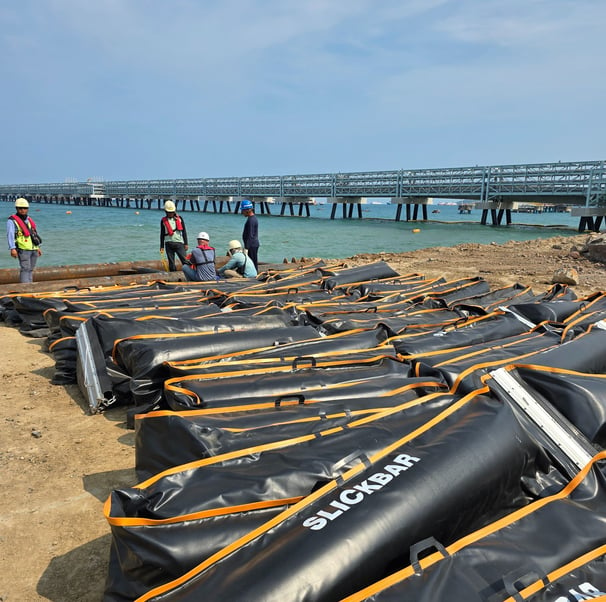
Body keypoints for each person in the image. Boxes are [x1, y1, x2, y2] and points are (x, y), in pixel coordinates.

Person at [6, 198, 42, 283]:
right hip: (23, 249)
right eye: (20, 208)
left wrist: (38, 247)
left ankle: (30, 286)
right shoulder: (12, 221)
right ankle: (25, 288)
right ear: (17, 209)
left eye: (25, 208)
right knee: (25, 269)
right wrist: (12, 248)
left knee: (31, 269)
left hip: (33, 248)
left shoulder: (29, 220)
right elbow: (10, 235)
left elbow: (34, 234)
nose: (23, 210)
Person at [160, 200, 188, 271]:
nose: (170, 214)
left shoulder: (180, 219)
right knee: (171, 263)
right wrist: (161, 246)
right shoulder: (163, 221)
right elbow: (162, 234)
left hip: (179, 243)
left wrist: (186, 243)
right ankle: (173, 276)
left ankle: (190, 274)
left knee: (185, 261)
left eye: (171, 212)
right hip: (168, 244)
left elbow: (184, 231)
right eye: (168, 212)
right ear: (165, 212)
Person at [240, 199, 259, 270]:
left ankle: (254, 277)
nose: (242, 212)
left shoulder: (251, 220)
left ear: (247, 210)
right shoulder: (252, 219)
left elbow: (250, 236)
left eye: (243, 210)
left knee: (252, 263)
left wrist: (246, 248)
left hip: (252, 245)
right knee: (252, 262)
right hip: (253, 244)